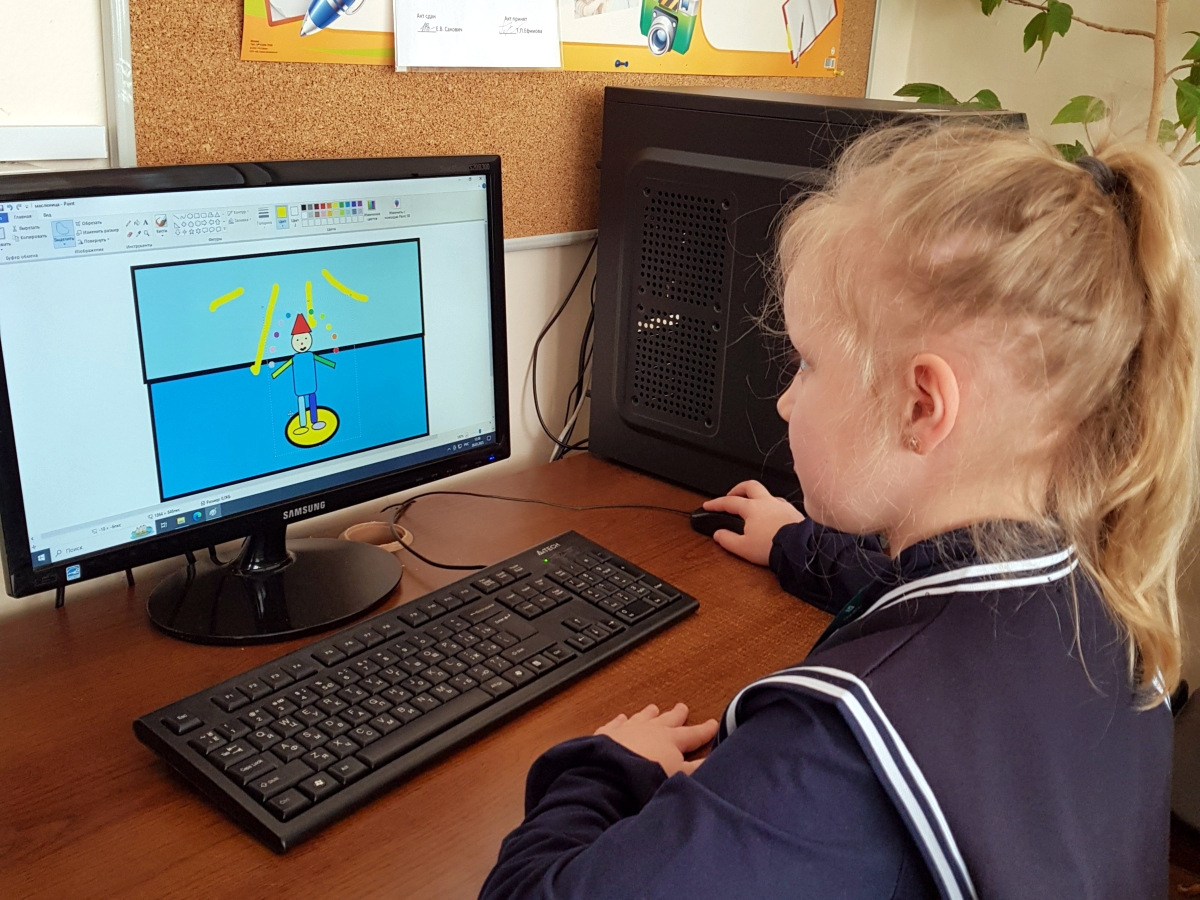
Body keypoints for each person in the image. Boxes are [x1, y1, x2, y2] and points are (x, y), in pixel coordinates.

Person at [479, 122, 1198, 898]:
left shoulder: (827, 758)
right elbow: (933, 601)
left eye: (808, 363)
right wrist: (796, 544)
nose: (786, 401)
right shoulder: (1110, 599)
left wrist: (608, 767)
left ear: (922, 406)